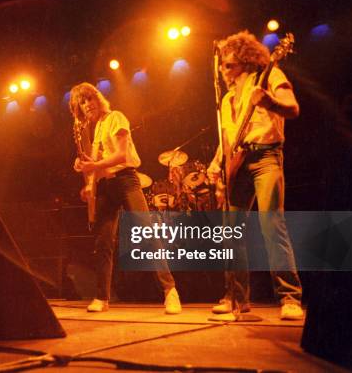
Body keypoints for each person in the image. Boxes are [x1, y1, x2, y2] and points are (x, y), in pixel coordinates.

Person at [207, 31, 303, 320]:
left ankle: (290, 297)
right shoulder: (225, 100)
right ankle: (236, 298)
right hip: (238, 161)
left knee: (271, 224)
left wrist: (269, 103)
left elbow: (293, 108)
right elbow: (228, 139)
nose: (223, 71)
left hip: (266, 156)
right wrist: (216, 164)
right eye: (222, 65)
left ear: (247, 61)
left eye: (229, 65)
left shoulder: (269, 76)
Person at [69, 82, 181, 314]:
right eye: (82, 102)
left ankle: (170, 291)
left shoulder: (116, 117)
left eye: (90, 99)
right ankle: (102, 297)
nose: (87, 105)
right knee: (103, 242)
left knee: (147, 233)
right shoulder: (93, 129)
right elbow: (95, 164)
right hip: (106, 186)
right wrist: (84, 171)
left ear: (98, 98)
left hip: (126, 179)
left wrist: (95, 164)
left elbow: (121, 154)